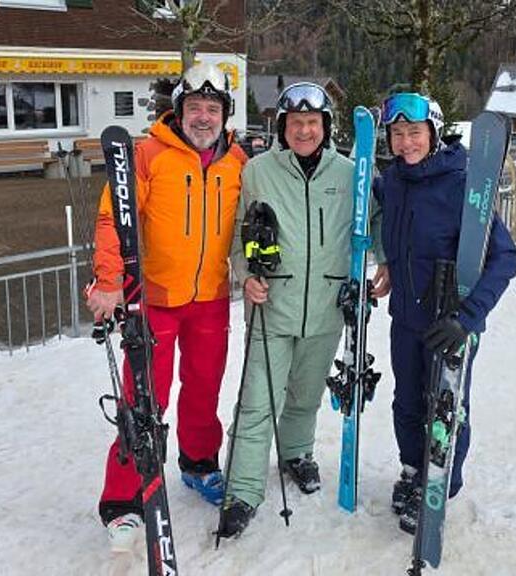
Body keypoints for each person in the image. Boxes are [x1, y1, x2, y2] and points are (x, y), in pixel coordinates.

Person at [217, 82, 390, 538]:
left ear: (326, 127)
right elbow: (238, 232)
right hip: (272, 305)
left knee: (306, 395)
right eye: (296, 123)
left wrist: (386, 260)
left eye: (313, 122)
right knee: (257, 402)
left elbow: (375, 220)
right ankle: (242, 491)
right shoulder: (258, 171)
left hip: (328, 308)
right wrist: (245, 274)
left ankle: (296, 452)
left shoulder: (350, 173)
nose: (304, 131)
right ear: (283, 127)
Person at [86, 62, 247, 547]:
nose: (203, 117)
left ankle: (198, 463)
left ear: (225, 114)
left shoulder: (238, 162)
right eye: (194, 106)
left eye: (213, 108)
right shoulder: (148, 155)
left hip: (210, 298)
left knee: (204, 389)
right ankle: (123, 497)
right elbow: (112, 218)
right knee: (143, 398)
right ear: (178, 110)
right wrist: (109, 280)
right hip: (153, 299)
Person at [373, 92, 516, 534]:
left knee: (447, 409)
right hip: (405, 319)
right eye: (397, 133)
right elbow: (380, 218)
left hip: (450, 322)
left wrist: (466, 319)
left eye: (414, 132)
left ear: (434, 134)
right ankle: (413, 470)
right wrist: (385, 260)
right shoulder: (393, 181)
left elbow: (505, 258)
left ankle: (439, 482)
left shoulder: (462, 183)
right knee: (406, 403)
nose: (405, 142)